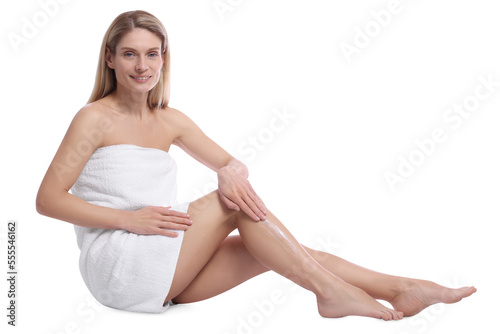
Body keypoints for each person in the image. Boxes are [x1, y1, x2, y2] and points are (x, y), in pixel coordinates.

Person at [36, 10, 476, 321]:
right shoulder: (93, 118)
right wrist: (127, 220)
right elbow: (47, 200)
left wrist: (229, 169)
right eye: (130, 54)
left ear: (164, 58)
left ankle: (402, 288)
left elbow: (230, 164)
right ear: (110, 58)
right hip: (119, 264)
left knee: (277, 250)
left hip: (164, 263)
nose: (142, 65)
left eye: (152, 54)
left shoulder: (170, 120)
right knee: (233, 205)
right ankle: (331, 294)